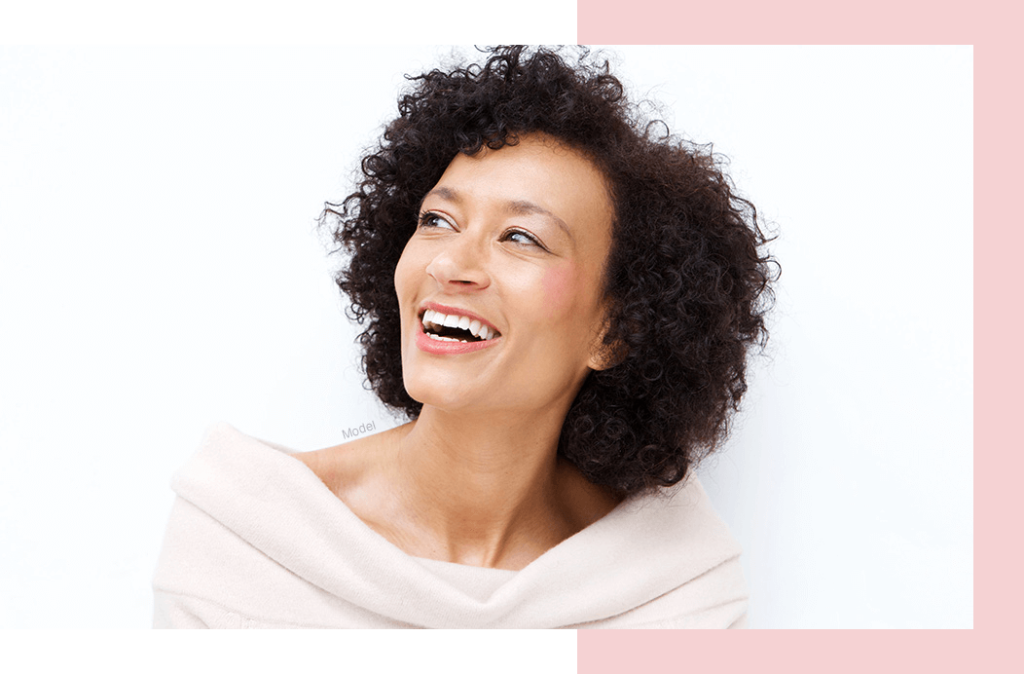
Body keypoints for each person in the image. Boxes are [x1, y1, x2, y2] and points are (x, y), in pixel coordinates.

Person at [152, 44, 777, 629]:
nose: (450, 263)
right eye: (437, 220)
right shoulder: (246, 538)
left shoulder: (675, 589)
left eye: (521, 237)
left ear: (613, 331)